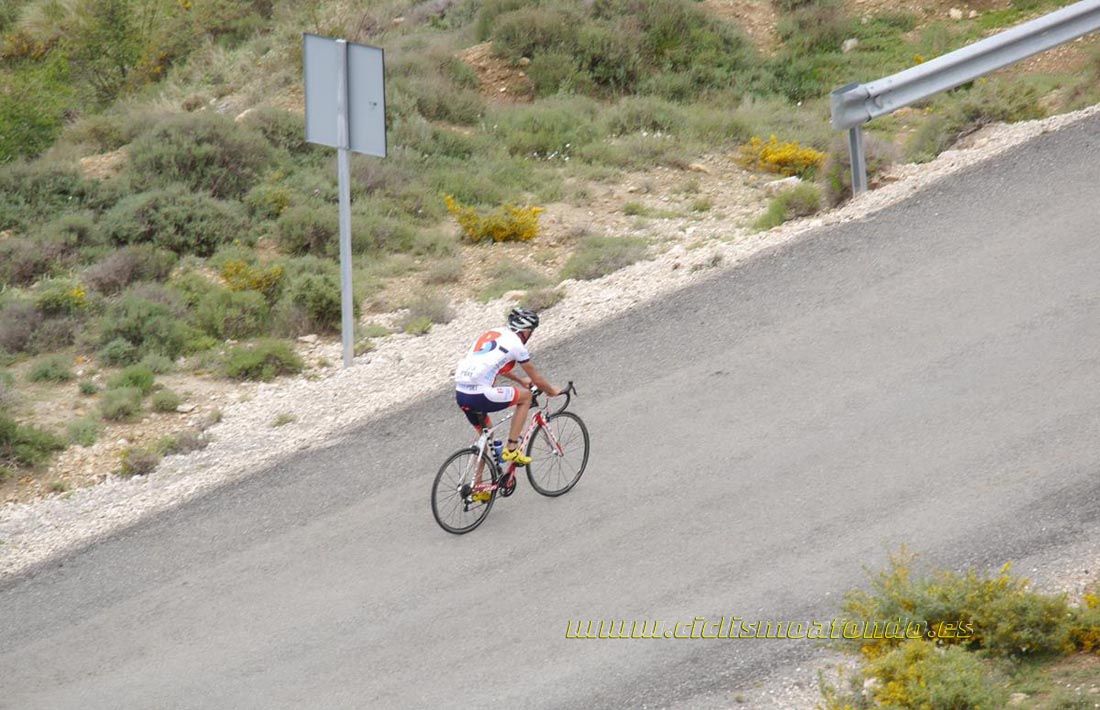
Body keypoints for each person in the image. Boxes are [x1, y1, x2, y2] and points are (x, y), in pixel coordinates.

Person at [454, 307, 560, 494]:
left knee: (485, 437)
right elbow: (535, 377)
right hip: (480, 394)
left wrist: (519, 380)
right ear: (525, 331)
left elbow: (495, 364)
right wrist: (552, 391)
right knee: (526, 397)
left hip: (461, 393)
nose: (531, 335)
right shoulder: (517, 344)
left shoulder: (494, 333)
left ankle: (477, 487)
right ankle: (512, 448)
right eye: (531, 332)